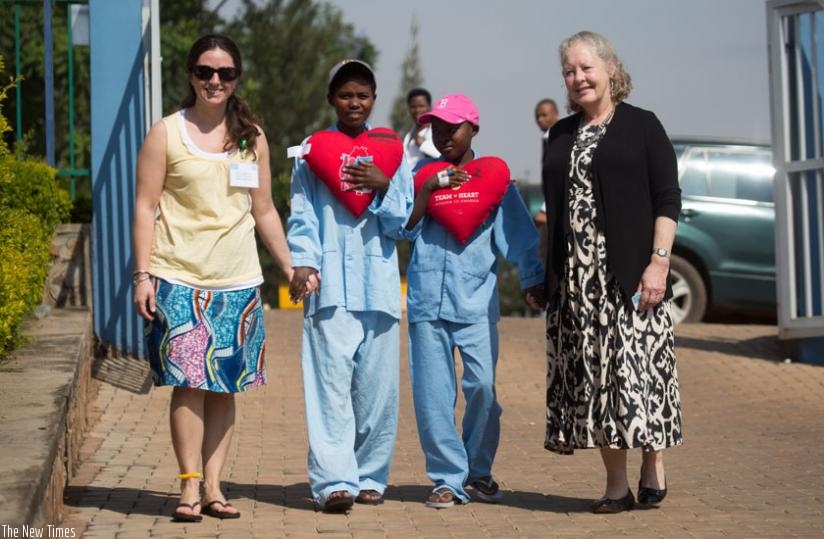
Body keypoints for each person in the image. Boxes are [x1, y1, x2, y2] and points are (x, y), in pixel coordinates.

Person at [132, 34, 293, 522]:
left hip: (238, 279)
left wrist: (289, 266)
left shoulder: (252, 138)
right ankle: (187, 487)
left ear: (236, 78)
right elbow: (144, 207)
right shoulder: (166, 132)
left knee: (224, 384)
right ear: (190, 75)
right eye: (205, 72)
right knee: (187, 381)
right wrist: (142, 275)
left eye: (224, 73)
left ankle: (214, 488)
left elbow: (262, 209)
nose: (214, 81)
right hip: (177, 276)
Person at [542, 30, 683, 514]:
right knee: (600, 384)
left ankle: (653, 459)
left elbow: (667, 198)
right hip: (578, 284)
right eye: (569, 71)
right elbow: (555, 210)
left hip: (630, 277)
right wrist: (548, 275)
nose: (578, 78)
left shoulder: (643, 126)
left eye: (586, 68)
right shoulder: (560, 134)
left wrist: (658, 264)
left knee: (637, 378)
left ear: (610, 69)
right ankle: (616, 486)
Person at [403, 94, 545, 509]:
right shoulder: (422, 175)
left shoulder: (494, 179)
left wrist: (533, 279)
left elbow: (519, 236)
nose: (444, 136)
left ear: (473, 129)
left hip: (477, 303)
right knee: (433, 395)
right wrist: (426, 190)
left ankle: (478, 469)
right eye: (437, 128)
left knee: (482, 386)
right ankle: (448, 478)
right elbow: (403, 230)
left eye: (453, 128)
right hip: (428, 301)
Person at [287, 59, 413, 513]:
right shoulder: (311, 153)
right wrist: (302, 263)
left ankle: (370, 475)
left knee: (377, 392)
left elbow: (404, 223)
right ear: (331, 100)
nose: (354, 102)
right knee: (329, 388)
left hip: (377, 288)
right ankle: (334, 482)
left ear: (374, 99)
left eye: (362, 94)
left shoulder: (391, 152)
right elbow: (301, 213)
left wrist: (382, 187)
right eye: (345, 95)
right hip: (329, 288)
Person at [533, 98, 558, 228]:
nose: (540, 119)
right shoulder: (547, 138)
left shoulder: (557, 139)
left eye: (544, 115)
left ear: (556, 115)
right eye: (537, 116)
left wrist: (545, 209)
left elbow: (558, 177)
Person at [402, 87, 440, 170]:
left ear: (429, 107)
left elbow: (440, 157)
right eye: (413, 107)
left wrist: (423, 144)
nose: (417, 110)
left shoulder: (436, 132)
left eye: (421, 106)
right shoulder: (408, 135)